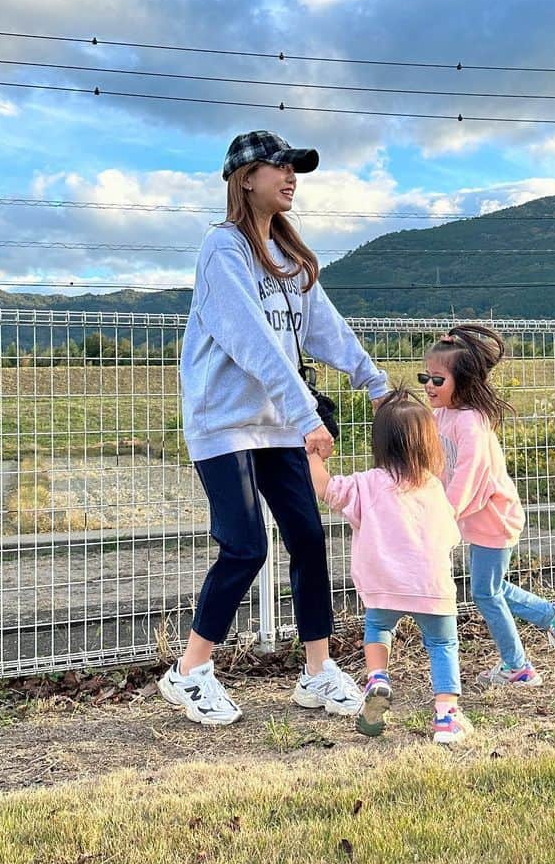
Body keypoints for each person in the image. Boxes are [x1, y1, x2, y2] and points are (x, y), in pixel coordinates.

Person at [158, 130, 389, 726]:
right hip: (226, 425)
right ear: (245, 178)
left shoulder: (290, 262)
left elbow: (325, 329)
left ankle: (317, 672)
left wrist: (377, 384)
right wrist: (307, 415)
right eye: (278, 167)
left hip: (277, 424)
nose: (290, 177)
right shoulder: (224, 249)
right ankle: (189, 673)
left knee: (310, 541)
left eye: (295, 169)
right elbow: (253, 343)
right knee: (245, 546)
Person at [308, 390, 474, 745]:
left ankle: (378, 678)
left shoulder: (367, 484)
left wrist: (313, 455)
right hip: (431, 586)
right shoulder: (432, 487)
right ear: (428, 443)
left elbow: (325, 488)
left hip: (383, 584)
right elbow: (449, 535)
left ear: (379, 442)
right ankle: (446, 717)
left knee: (378, 629)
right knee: (443, 643)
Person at [421, 324, 555, 686]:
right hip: (475, 521)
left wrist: (444, 516)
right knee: (491, 587)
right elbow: (434, 461)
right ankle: (553, 614)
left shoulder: (471, 423)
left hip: (494, 519)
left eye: (437, 380)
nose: (429, 386)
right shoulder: (441, 415)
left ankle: (518, 666)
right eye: (425, 377)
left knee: (485, 592)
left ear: (464, 382)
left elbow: (467, 475)